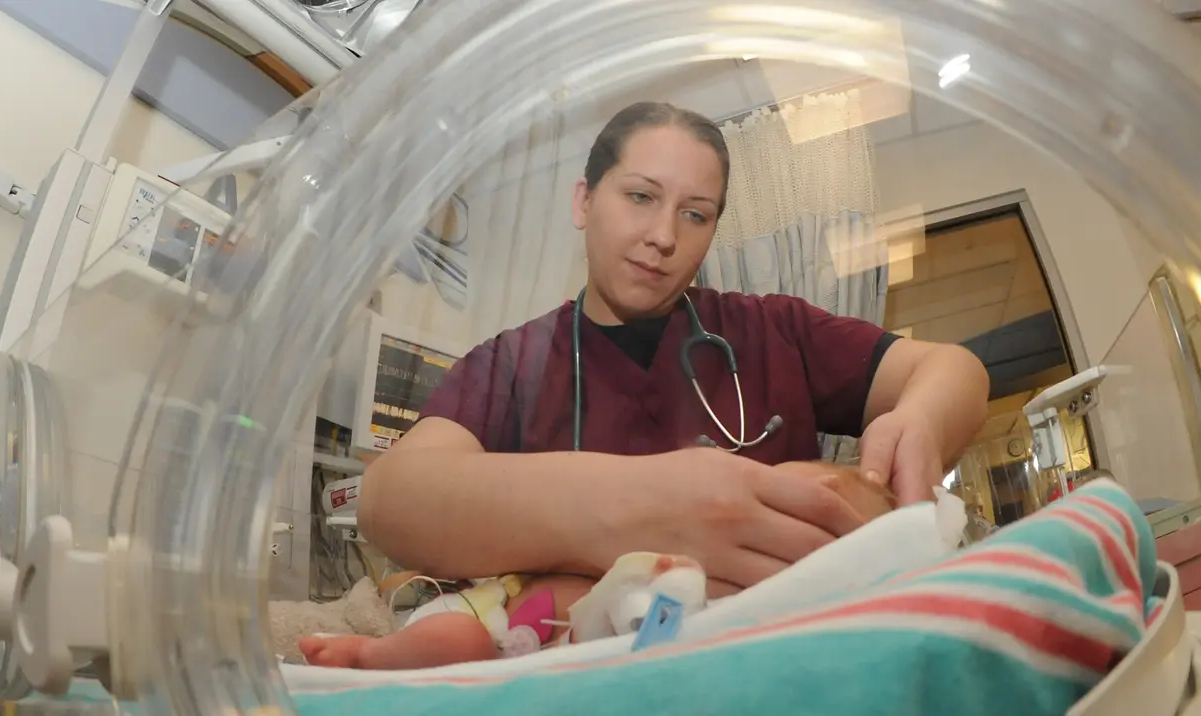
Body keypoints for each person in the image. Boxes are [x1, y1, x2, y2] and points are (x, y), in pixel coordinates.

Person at [357, 100, 990, 600]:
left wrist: (920, 421)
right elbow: (392, 501)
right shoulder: (511, 366)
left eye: (695, 214)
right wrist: (644, 504)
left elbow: (951, 370)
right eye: (640, 196)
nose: (663, 236)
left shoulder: (771, 332)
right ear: (584, 201)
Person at [303, 461, 897, 670]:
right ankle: (374, 653)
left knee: (459, 643)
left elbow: (653, 653)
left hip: (504, 649)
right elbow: (386, 500)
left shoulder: (726, 618)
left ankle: (373, 656)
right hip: (485, 609)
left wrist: (666, 603)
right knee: (454, 633)